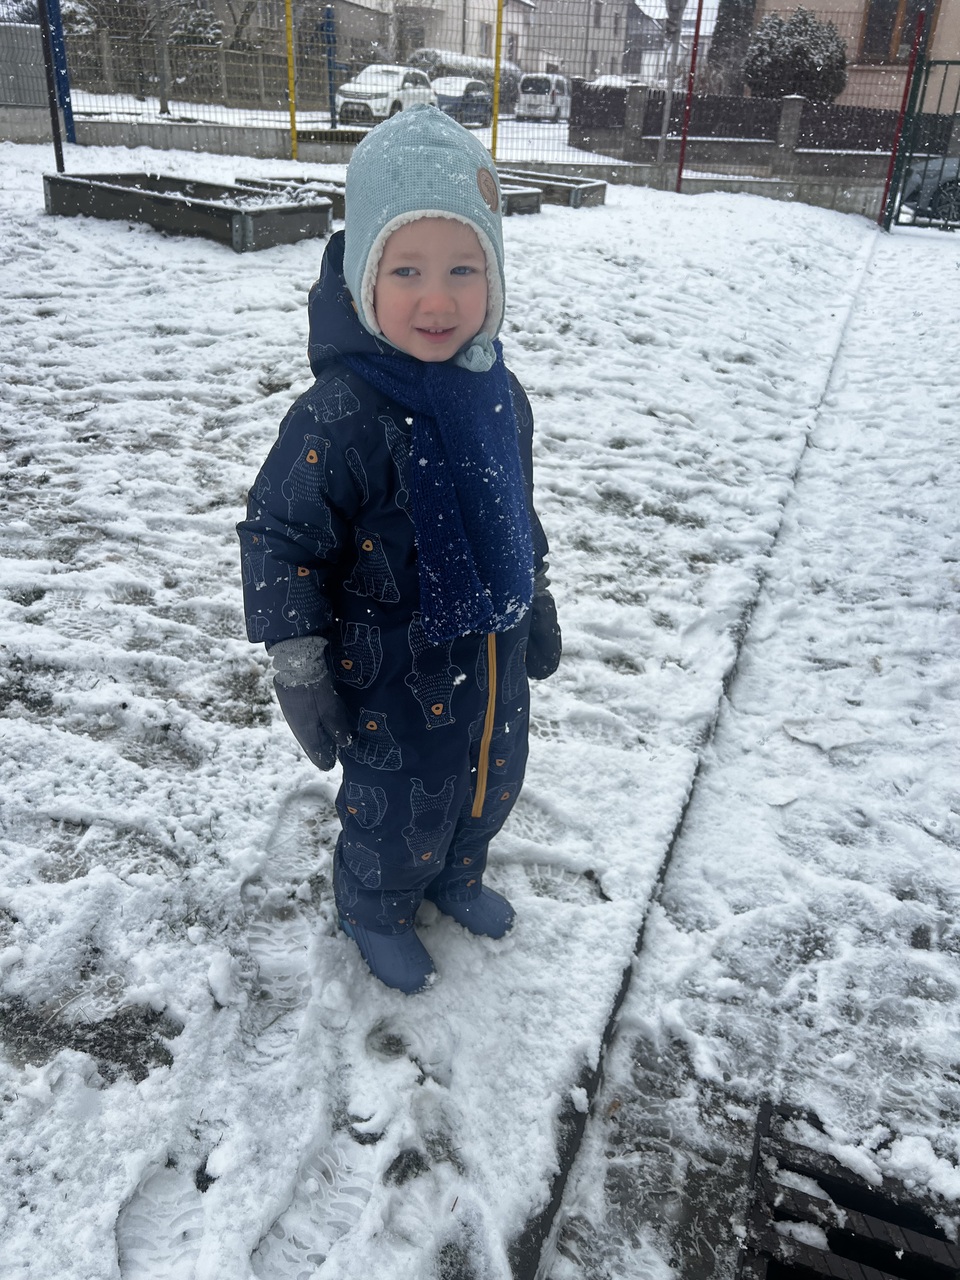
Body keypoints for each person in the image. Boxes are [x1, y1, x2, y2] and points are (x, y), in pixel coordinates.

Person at [237, 105, 561, 994]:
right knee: (396, 808)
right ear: (363, 280)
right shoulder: (340, 415)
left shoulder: (498, 394)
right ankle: (374, 906)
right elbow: (280, 535)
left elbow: (513, 508)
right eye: (407, 269)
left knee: (490, 778)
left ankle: (458, 876)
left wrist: (536, 593)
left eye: (464, 269)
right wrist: (296, 659)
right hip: (389, 679)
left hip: (491, 657)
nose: (438, 299)